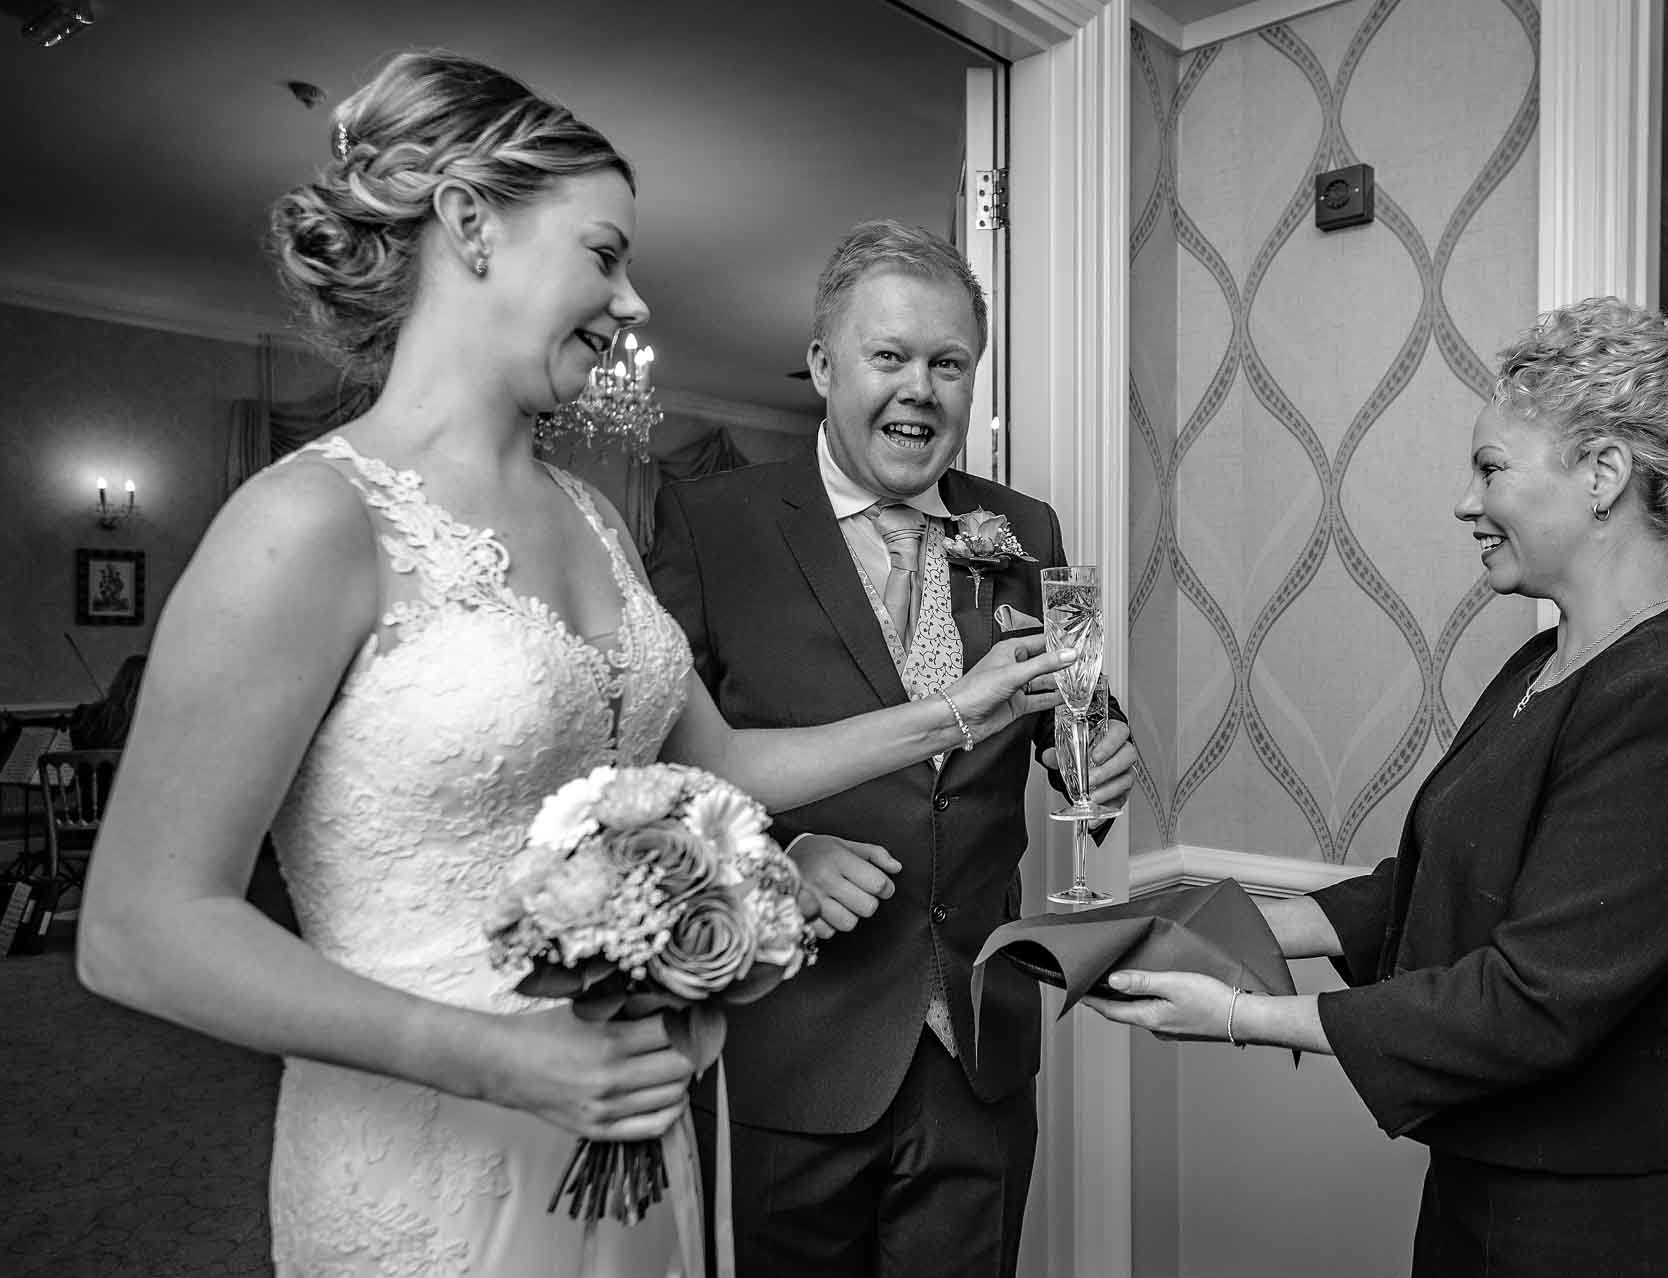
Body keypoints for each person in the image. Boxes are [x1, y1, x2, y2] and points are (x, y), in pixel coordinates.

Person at [75, 53, 1069, 1278]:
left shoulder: (593, 516)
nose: (637, 302)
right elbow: (136, 929)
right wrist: (511, 1059)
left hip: (634, 1139)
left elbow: (722, 764)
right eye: (606, 255)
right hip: (437, 1148)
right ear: (469, 224)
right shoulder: (310, 521)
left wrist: (960, 712)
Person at [1083, 297, 1668, 1277]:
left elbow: (1534, 999)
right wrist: (1209, 920)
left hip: (1611, 1221)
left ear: (1604, 476)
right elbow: (1441, 884)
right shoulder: (1546, 662)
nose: (1466, 502)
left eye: (1492, 469)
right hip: (1489, 1179)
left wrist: (1238, 1016)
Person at [647, 218, 1139, 1278]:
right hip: (800, 1036)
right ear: (825, 365)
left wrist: (1096, 749)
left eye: (949, 363)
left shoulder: (1027, 527)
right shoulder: (710, 522)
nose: (921, 388)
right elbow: (654, 770)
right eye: (890, 357)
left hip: (980, 1041)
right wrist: (772, 861)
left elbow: (1076, 703)